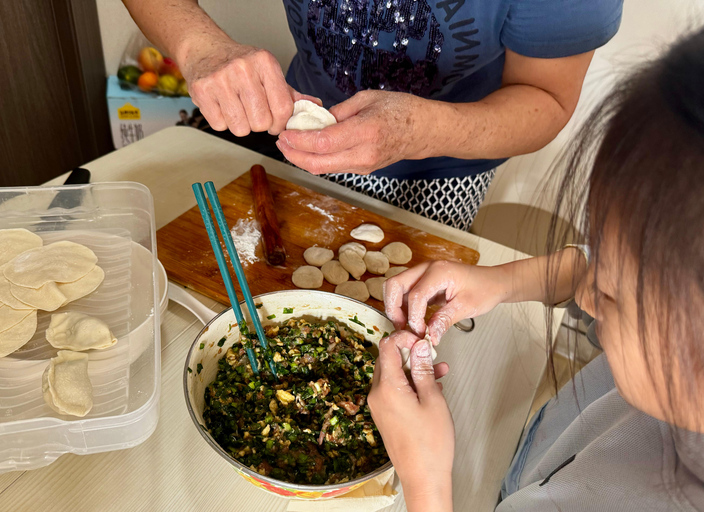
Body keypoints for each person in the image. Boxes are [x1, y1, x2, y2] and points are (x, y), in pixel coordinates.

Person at [370, 27, 704, 511]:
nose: (587, 298)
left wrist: (425, 478)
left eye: (611, 297)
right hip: (539, 459)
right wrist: (502, 281)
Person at [122, 0, 623, 230]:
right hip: (304, 132)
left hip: (445, 165)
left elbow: (546, 98)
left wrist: (419, 130)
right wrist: (200, 46)